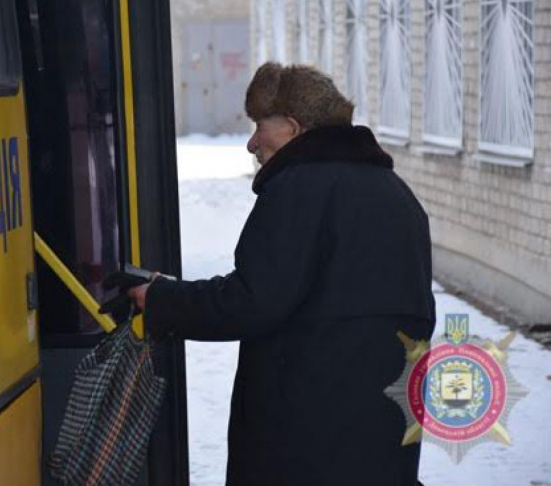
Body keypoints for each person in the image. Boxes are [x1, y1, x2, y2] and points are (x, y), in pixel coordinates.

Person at [128, 62, 436, 485]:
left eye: (260, 126)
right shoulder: (397, 195)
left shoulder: (299, 188)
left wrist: (162, 299)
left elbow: (253, 301)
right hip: (385, 433)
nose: (252, 143)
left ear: (293, 128)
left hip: (306, 439)